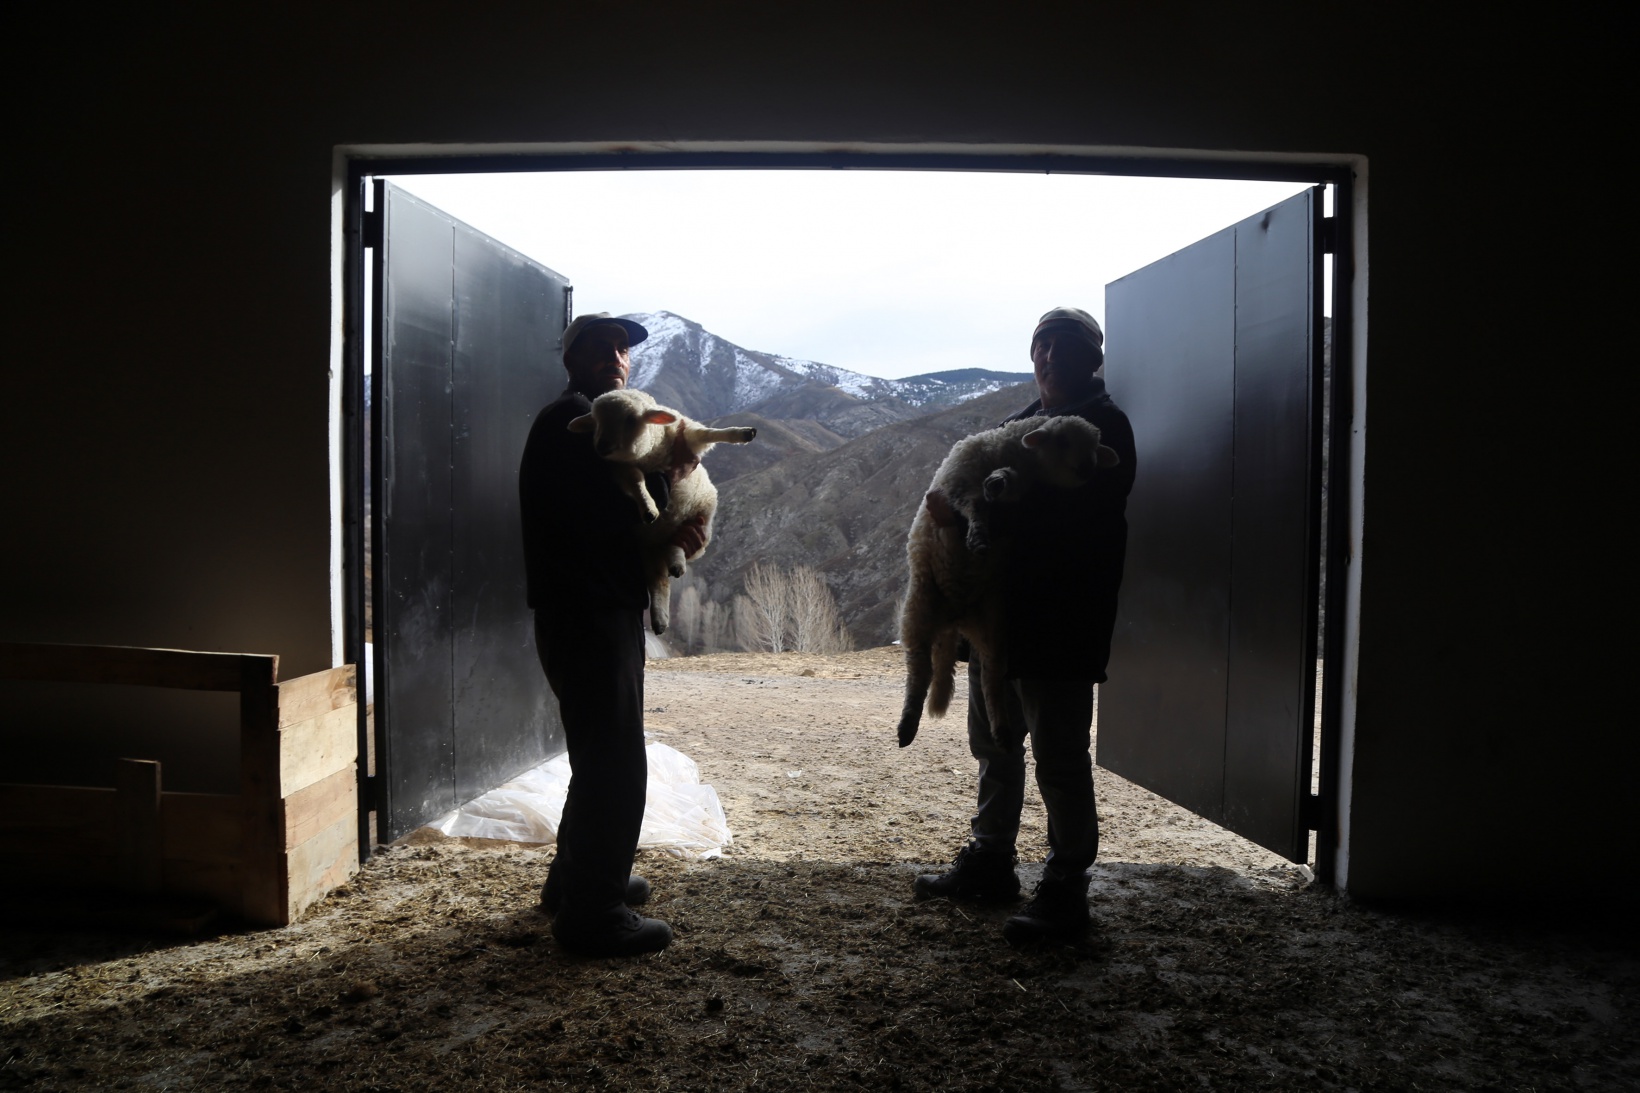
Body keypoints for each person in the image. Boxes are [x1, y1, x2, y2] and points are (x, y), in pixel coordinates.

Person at [913, 306, 1137, 946]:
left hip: (1061, 621)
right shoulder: (1020, 427)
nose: (1051, 358)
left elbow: (1076, 523)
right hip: (1000, 623)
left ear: (1093, 359)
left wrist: (972, 523)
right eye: (1042, 346)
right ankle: (990, 861)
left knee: (1059, 755)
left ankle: (1068, 887)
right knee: (995, 743)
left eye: (1067, 348)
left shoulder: (1101, 428)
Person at [518, 312, 705, 957]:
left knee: (596, 753)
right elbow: (609, 519)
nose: (615, 357)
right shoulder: (573, 423)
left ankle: (575, 880)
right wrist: (666, 526)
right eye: (599, 347)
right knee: (617, 762)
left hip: (588, 609)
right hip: (589, 610)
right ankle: (593, 914)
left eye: (622, 349)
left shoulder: (587, 421)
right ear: (572, 359)